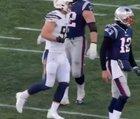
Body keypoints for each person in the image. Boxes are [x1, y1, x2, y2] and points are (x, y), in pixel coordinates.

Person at [15, 0, 73, 119]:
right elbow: (45, 34)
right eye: (69, 3)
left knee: (64, 82)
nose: (71, 6)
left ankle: (52, 111)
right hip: (52, 53)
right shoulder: (54, 15)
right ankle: (23, 95)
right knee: (47, 84)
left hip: (62, 54)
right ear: (61, 4)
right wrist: (58, 39)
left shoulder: (66, 15)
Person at [100, 6, 140, 119]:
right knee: (125, 94)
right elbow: (103, 50)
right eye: (128, 18)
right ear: (121, 18)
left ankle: (111, 116)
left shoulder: (129, 30)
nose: (130, 20)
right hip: (113, 63)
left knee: (117, 95)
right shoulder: (113, 29)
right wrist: (103, 69)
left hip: (123, 63)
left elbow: (128, 49)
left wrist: (135, 66)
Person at [61, 0, 98, 105]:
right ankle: (64, 96)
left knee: (76, 72)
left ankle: (81, 91)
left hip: (77, 41)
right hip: (63, 40)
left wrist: (93, 44)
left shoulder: (84, 5)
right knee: (63, 69)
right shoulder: (63, 2)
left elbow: (92, 26)